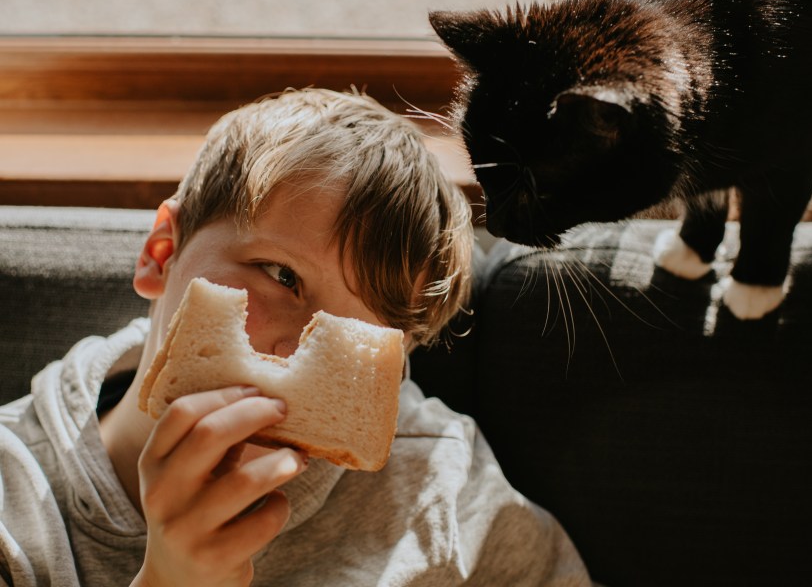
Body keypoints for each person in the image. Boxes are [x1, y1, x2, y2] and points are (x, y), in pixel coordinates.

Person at [0, 89, 591, 586]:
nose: (296, 354)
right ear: (161, 254)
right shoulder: (15, 501)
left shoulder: (441, 485)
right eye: (282, 277)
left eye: (363, 333)